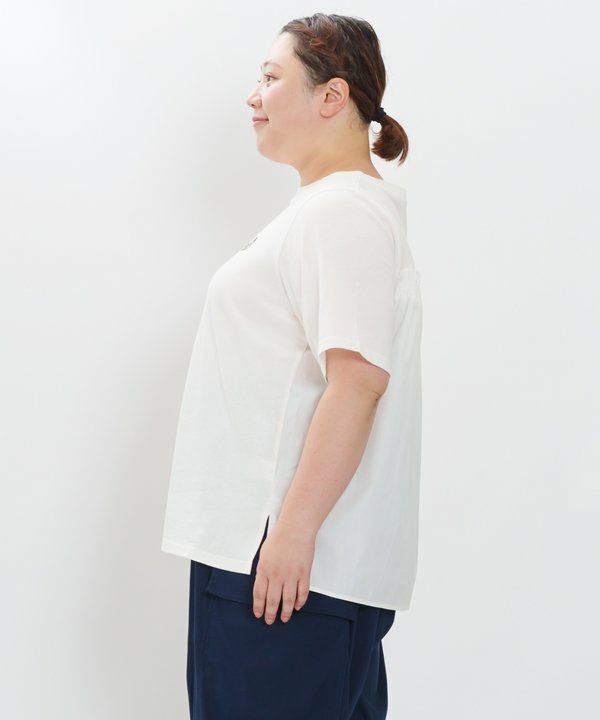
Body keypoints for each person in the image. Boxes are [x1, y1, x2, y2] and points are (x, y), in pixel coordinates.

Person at [161, 12, 422, 720]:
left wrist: (293, 534)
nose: (254, 95)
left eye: (272, 77)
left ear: (332, 96)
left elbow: (358, 382)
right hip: (272, 558)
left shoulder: (342, 213)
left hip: (283, 568)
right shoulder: (326, 210)